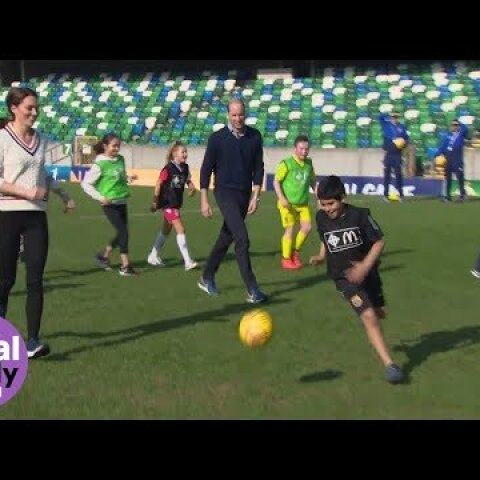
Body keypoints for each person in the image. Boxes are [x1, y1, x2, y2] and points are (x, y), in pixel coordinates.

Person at [309, 175, 405, 384]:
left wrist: (364, 267)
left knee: (379, 312)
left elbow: (379, 242)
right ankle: (390, 365)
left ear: (342, 197)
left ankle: (377, 316)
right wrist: (321, 256)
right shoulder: (321, 218)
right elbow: (326, 239)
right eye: (323, 204)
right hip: (344, 278)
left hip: (369, 274)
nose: (328, 209)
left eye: (331, 203)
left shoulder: (360, 216)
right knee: (369, 316)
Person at [198, 98, 267, 303]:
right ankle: (253, 289)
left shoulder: (255, 137)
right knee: (242, 238)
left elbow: (259, 167)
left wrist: (256, 195)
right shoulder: (217, 138)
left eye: (241, 114)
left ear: (246, 114)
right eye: (234, 115)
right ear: (228, 115)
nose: (238, 118)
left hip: (244, 195)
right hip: (224, 193)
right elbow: (206, 169)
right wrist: (204, 199)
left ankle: (206, 276)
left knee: (226, 237)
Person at [0, 86, 51, 358]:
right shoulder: (2, 139)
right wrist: (27, 192)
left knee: (35, 279)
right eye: (29, 107)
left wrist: (63, 194)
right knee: (5, 279)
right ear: (14, 108)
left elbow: (41, 172)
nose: (34, 112)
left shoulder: (41, 139)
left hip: (36, 216)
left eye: (36, 107)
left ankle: (32, 341)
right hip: (7, 215)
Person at [81, 132, 137, 276]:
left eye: (118, 146)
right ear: (105, 146)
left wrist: (128, 178)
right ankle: (126, 266)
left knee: (122, 232)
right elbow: (86, 184)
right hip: (110, 204)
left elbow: (121, 176)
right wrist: (100, 197)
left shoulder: (120, 159)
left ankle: (104, 257)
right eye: (114, 146)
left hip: (122, 200)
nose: (117, 149)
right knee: (124, 232)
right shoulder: (99, 164)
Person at [147, 140, 198, 271]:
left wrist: (191, 186)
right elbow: (159, 183)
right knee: (180, 229)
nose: (185, 154)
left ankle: (153, 255)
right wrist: (154, 200)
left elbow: (187, 180)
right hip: (168, 204)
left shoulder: (185, 167)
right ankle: (188, 261)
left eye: (186, 151)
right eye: (183, 152)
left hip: (176, 203)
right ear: (175, 154)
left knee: (166, 230)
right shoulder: (168, 168)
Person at [273, 134, 316, 270]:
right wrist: (282, 198)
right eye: (301, 149)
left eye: (306, 149)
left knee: (307, 228)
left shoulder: (309, 164)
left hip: (302, 204)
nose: (304, 152)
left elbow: (313, 181)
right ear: (295, 148)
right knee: (290, 230)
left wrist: (319, 195)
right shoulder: (286, 163)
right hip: (288, 204)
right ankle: (286, 259)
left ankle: (295, 253)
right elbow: (276, 182)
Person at [19, 174, 76, 262]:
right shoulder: (27, 174)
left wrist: (68, 200)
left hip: (37, 211)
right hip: (23, 208)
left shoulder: (46, 176)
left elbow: (59, 190)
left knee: (34, 238)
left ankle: (25, 250)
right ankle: (22, 250)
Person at [435, 119, 468, 202]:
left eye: (456, 125)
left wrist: (459, 122)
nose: (454, 126)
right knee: (447, 178)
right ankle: (447, 196)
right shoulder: (447, 136)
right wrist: (437, 154)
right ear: (451, 126)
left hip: (457, 159)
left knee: (460, 177)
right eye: (453, 125)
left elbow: (466, 129)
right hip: (448, 159)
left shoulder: (461, 135)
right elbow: (442, 147)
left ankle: (462, 195)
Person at [378, 112, 409, 202]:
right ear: (390, 117)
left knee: (398, 175)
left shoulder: (402, 127)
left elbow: (407, 139)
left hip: (397, 154)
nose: (394, 118)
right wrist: (386, 113)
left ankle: (400, 195)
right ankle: (385, 195)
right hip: (389, 153)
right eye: (393, 117)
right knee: (387, 175)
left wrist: (403, 144)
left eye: (396, 117)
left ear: (398, 118)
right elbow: (380, 117)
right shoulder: (386, 125)